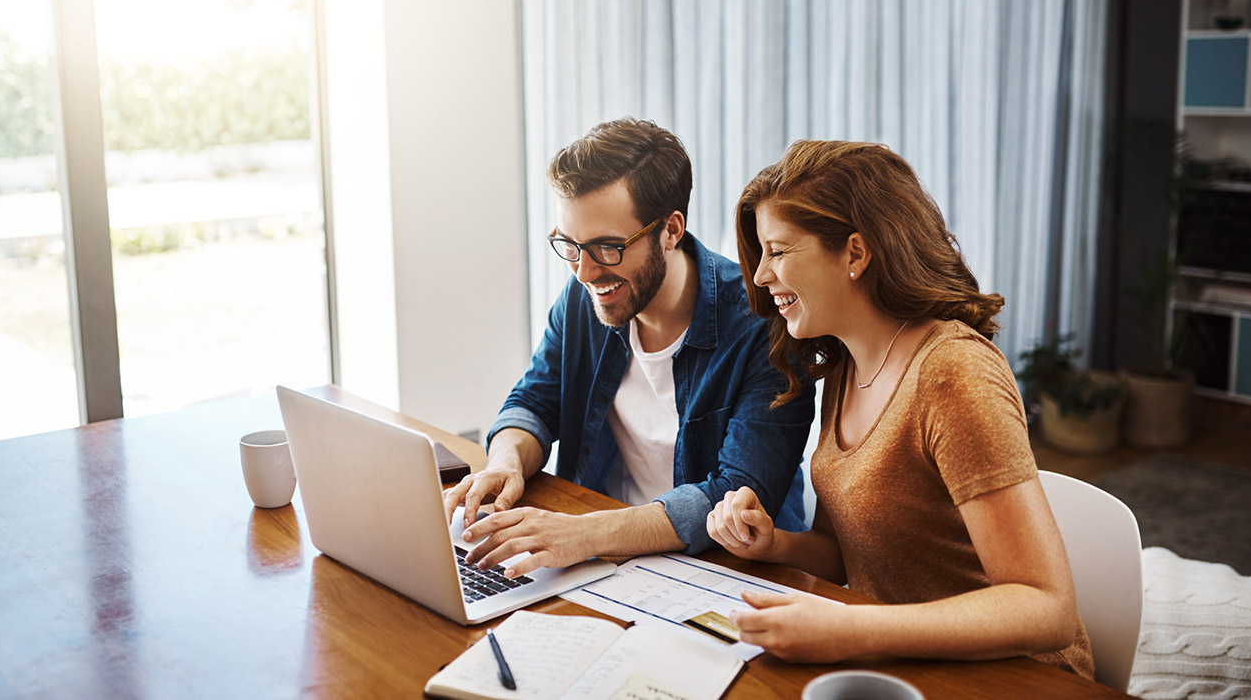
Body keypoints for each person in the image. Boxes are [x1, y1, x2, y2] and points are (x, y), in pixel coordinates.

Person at [707, 140, 1093, 677]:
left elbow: (1045, 609)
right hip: (906, 664)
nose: (760, 276)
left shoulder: (952, 372)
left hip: (1018, 677)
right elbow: (850, 554)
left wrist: (846, 630)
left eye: (778, 251)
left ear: (855, 254)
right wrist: (776, 544)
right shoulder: (846, 366)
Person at [443, 117, 814, 579]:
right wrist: (507, 461)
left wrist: (584, 534)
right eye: (571, 246)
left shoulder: (761, 323)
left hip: (727, 573)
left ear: (671, 230)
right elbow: (533, 402)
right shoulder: (589, 297)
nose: (584, 273)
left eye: (607, 248)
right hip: (604, 560)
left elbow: (737, 492)